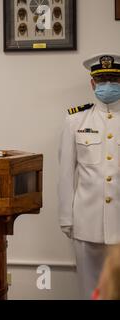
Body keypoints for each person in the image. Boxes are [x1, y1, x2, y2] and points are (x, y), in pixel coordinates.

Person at [58, 53, 120, 299]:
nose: (107, 86)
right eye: (102, 80)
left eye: (113, 80)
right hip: (87, 222)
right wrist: (66, 218)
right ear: (93, 83)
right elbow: (65, 173)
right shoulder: (76, 120)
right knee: (89, 290)